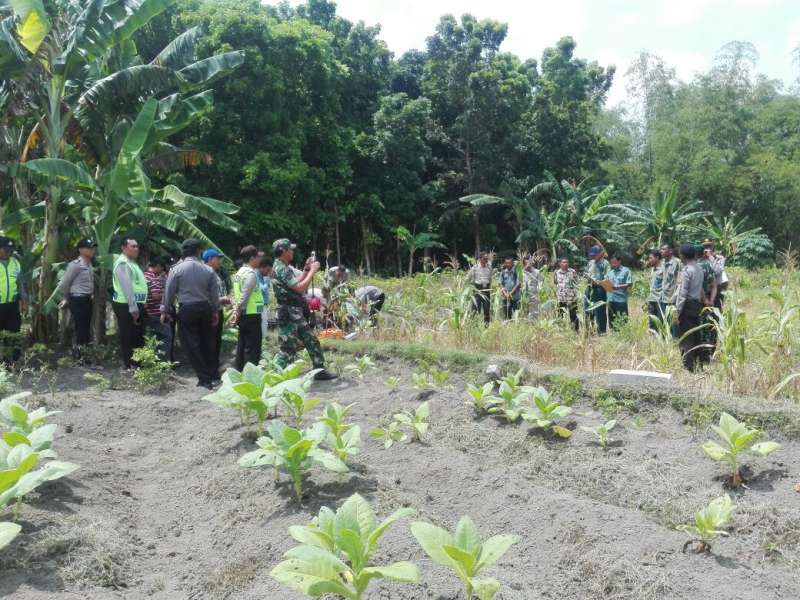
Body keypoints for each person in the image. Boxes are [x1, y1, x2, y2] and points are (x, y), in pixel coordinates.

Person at [271, 239, 336, 380]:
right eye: (290, 249)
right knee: (287, 348)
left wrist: (306, 269)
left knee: (311, 340)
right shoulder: (281, 268)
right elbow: (300, 288)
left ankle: (319, 370)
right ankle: (273, 377)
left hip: (294, 311)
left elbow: (296, 283)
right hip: (287, 312)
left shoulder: (282, 267)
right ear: (283, 251)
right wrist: (312, 271)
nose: (292, 251)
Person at [161, 239, 220, 389]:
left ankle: (204, 378)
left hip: (187, 309)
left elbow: (169, 292)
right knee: (207, 342)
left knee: (191, 344)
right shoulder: (208, 270)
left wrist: (165, 310)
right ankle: (211, 375)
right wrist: (215, 311)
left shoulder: (176, 269)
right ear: (199, 251)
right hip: (205, 308)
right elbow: (214, 295)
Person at [111, 237, 147, 369]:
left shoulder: (132, 263)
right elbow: (127, 287)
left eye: (137, 246)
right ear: (123, 247)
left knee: (137, 336)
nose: (136, 249)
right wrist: (133, 308)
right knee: (129, 335)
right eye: (133, 246)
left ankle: (137, 363)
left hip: (135, 304)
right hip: (126, 305)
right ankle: (130, 364)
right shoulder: (123, 264)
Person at [58, 238, 96, 359]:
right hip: (77, 300)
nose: (92, 250)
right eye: (89, 248)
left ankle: (84, 355)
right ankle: (78, 356)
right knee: (80, 329)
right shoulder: (75, 265)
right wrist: (65, 298)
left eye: (93, 248)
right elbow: (64, 284)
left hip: (87, 300)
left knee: (85, 328)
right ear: (80, 250)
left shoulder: (89, 264)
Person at [231, 245, 264, 371]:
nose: (259, 260)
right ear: (252, 258)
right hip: (251, 314)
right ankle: (251, 375)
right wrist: (238, 310)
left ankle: (240, 371)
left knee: (242, 345)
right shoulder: (250, 274)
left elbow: (235, 294)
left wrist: (236, 311)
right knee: (253, 347)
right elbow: (245, 295)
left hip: (245, 314)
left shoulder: (239, 273)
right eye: (257, 257)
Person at [675, 243, 705, 372]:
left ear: (682, 256)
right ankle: (699, 363)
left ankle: (688, 365)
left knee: (686, 336)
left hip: (687, 305)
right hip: (697, 305)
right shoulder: (699, 269)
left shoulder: (687, 270)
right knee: (695, 334)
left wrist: (677, 311)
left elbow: (682, 293)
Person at [203, 249, 230, 375]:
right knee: (210, 341)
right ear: (209, 259)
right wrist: (222, 299)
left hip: (218, 310)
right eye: (217, 258)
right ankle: (210, 370)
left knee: (216, 341)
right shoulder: (205, 273)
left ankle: (214, 368)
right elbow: (205, 296)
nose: (219, 261)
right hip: (210, 312)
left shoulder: (216, 273)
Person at [0, 237, 26, 362]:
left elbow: (20, 284)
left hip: (12, 305)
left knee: (14, 332)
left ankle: (11, 360)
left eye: (10, 250)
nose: (8, 253)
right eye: (5, 250)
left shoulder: (15, 263)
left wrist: (24, 301)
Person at [143, 256, 173, 361]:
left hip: (148, 312)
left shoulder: (145, 275)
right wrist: (167, 295)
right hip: (155, 312)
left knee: (153, 338)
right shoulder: (153, 277)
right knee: (166, 337)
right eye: (162, 268)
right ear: (158, 266)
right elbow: (155, 296)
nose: (162, 271)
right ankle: (163, 363)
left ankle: (153, 362)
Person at [697, 244, 719, 365]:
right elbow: (714, 285)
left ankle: (702, 357)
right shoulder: (707, 265)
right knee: (709, 327)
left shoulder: (695, 267)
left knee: (700, 329)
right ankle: (708, 355)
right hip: (709, 303)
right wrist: (711, 300)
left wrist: (705, 300)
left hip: (698, 304)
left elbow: (699, 286)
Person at [585, 245, 610, 334]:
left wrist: (598, 282)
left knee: (600, 310)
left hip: (600, 289)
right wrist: (587, 277)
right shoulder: (590, 262)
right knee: (588, 309)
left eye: (595, 255)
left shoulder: (605, 263)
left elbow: (608, 278)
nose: (593, 256)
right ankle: (589, 330)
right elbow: (588, 273)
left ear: (600, 254)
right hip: (589, 288)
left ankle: (601, 332)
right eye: (592, 255)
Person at [660, 243, 681, 337]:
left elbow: (680, 281)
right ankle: (668, 338)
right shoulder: (662, 263)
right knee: (665, 320)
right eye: (661, 249)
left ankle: (676, 339)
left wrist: (676, 296)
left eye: (663, 249)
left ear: (670, 251)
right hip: (663, 297)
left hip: (673, 298)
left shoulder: (677, 262)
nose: (661, 251)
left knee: (674, 321)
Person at [466, 253, 493, 324]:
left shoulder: (489, 268)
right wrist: (472, 287)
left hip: (486, 290)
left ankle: (486, 326)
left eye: (487, 259)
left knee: (487, 310)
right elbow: (467, 279)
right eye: (485, 259)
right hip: (477, 290)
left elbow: (490, 279)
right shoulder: (474, 268)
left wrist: (489, 287)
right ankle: (473, 326)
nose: (486, 260)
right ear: (480, 259)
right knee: (475, 309)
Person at [607, 254, 632, 330]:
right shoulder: (610, 272)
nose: (613, 264)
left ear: (619, 261)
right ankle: (613, 334)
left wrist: (617, 287)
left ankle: (624, 334)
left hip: (621, 300)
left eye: (614, 262)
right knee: (612, 320)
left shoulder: (626, 271)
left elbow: (629, 284)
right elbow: (607, 283)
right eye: (611, 263)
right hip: (611, 299)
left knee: (622, 319)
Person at [554, 257, 580, 331]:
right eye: (564, 262)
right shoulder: (556, 273)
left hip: (572, 299)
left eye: (567, 262)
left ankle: (576, 331)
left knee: (574, 316)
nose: (566, 264)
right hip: (561, 299)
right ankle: (561, 331)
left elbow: (577, 282)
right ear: (560, 264)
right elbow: (555, 283)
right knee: (560, 316)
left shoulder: (572, 272)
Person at [703, 240, 728, 308]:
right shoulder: (702, 259)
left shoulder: (719, 258)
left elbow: (717, 271)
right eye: (705, 247)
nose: (707, 249)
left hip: (719, 286)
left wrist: (711, 257)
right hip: (707, 287)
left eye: (709, 246)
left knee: (717, 306)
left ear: (712, 247)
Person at [646, 249, 664, 332]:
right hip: (652, 298)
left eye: (651, 258)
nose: (649, 260)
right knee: (651, 321)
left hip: (660, 300)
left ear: (657, 258)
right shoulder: (653, 269)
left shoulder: (664, 269)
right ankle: (652, 338)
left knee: (660, 321)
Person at [523, 257, 542, 321]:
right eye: (527, 263)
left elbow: (540, 281)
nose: (528, 264)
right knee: (525, 309)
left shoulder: (537, 272)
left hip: (534, 294)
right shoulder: (521, 272)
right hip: (524, 295)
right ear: (524, 264)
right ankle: (526, 322)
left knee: (534, 310)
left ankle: (534, 323)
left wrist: (539, 289)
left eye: (529, 263)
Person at [258, 257, 274, 337]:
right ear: (261, 267)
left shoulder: (262, 276)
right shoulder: (256, 275)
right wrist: (268, 277)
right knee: (262, 326)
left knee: (264, 324)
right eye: (268, 270)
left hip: (263, 304)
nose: (268, 272)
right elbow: (262, 289)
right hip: (259, 305)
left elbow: (268, 287)